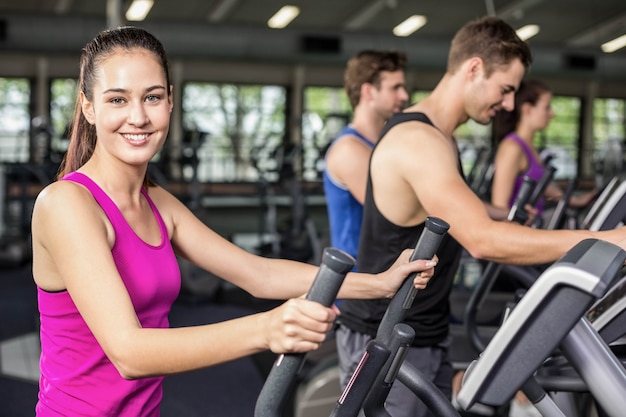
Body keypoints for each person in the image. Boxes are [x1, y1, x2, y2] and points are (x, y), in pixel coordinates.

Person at [30, 26, 437, 416]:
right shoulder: (66, 204)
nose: (137, 116)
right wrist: (267, 328)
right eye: (117, 100)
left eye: (152, 97)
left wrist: (380, 283)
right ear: (88, 106)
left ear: (170, 101)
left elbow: (256, 273)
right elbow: (128, 352)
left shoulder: (157, 203)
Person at [335, 15, 626, 417]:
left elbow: (461, 211)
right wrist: (611, 239)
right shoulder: (418, 141)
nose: (508, 104)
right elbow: (482, 239)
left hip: (421, 332)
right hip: (383, 334)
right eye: (506, 89)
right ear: (474, 68)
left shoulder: (440, 138)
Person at [323, 50, 409, 263]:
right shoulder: (349, 150)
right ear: (369, 92)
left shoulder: (385, 146)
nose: (404, 96)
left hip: (383, 275)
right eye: (395, 88)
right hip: (357, 283)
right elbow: (395, 213)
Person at [491, 78, 597, 223]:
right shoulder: (512, 148)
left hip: (533, 225)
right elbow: (499, 206)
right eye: (547, 107)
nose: (552, 113)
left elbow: (545, 187)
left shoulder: (529, 147)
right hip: (517, 232)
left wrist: (578, 200)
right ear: (528, 109)